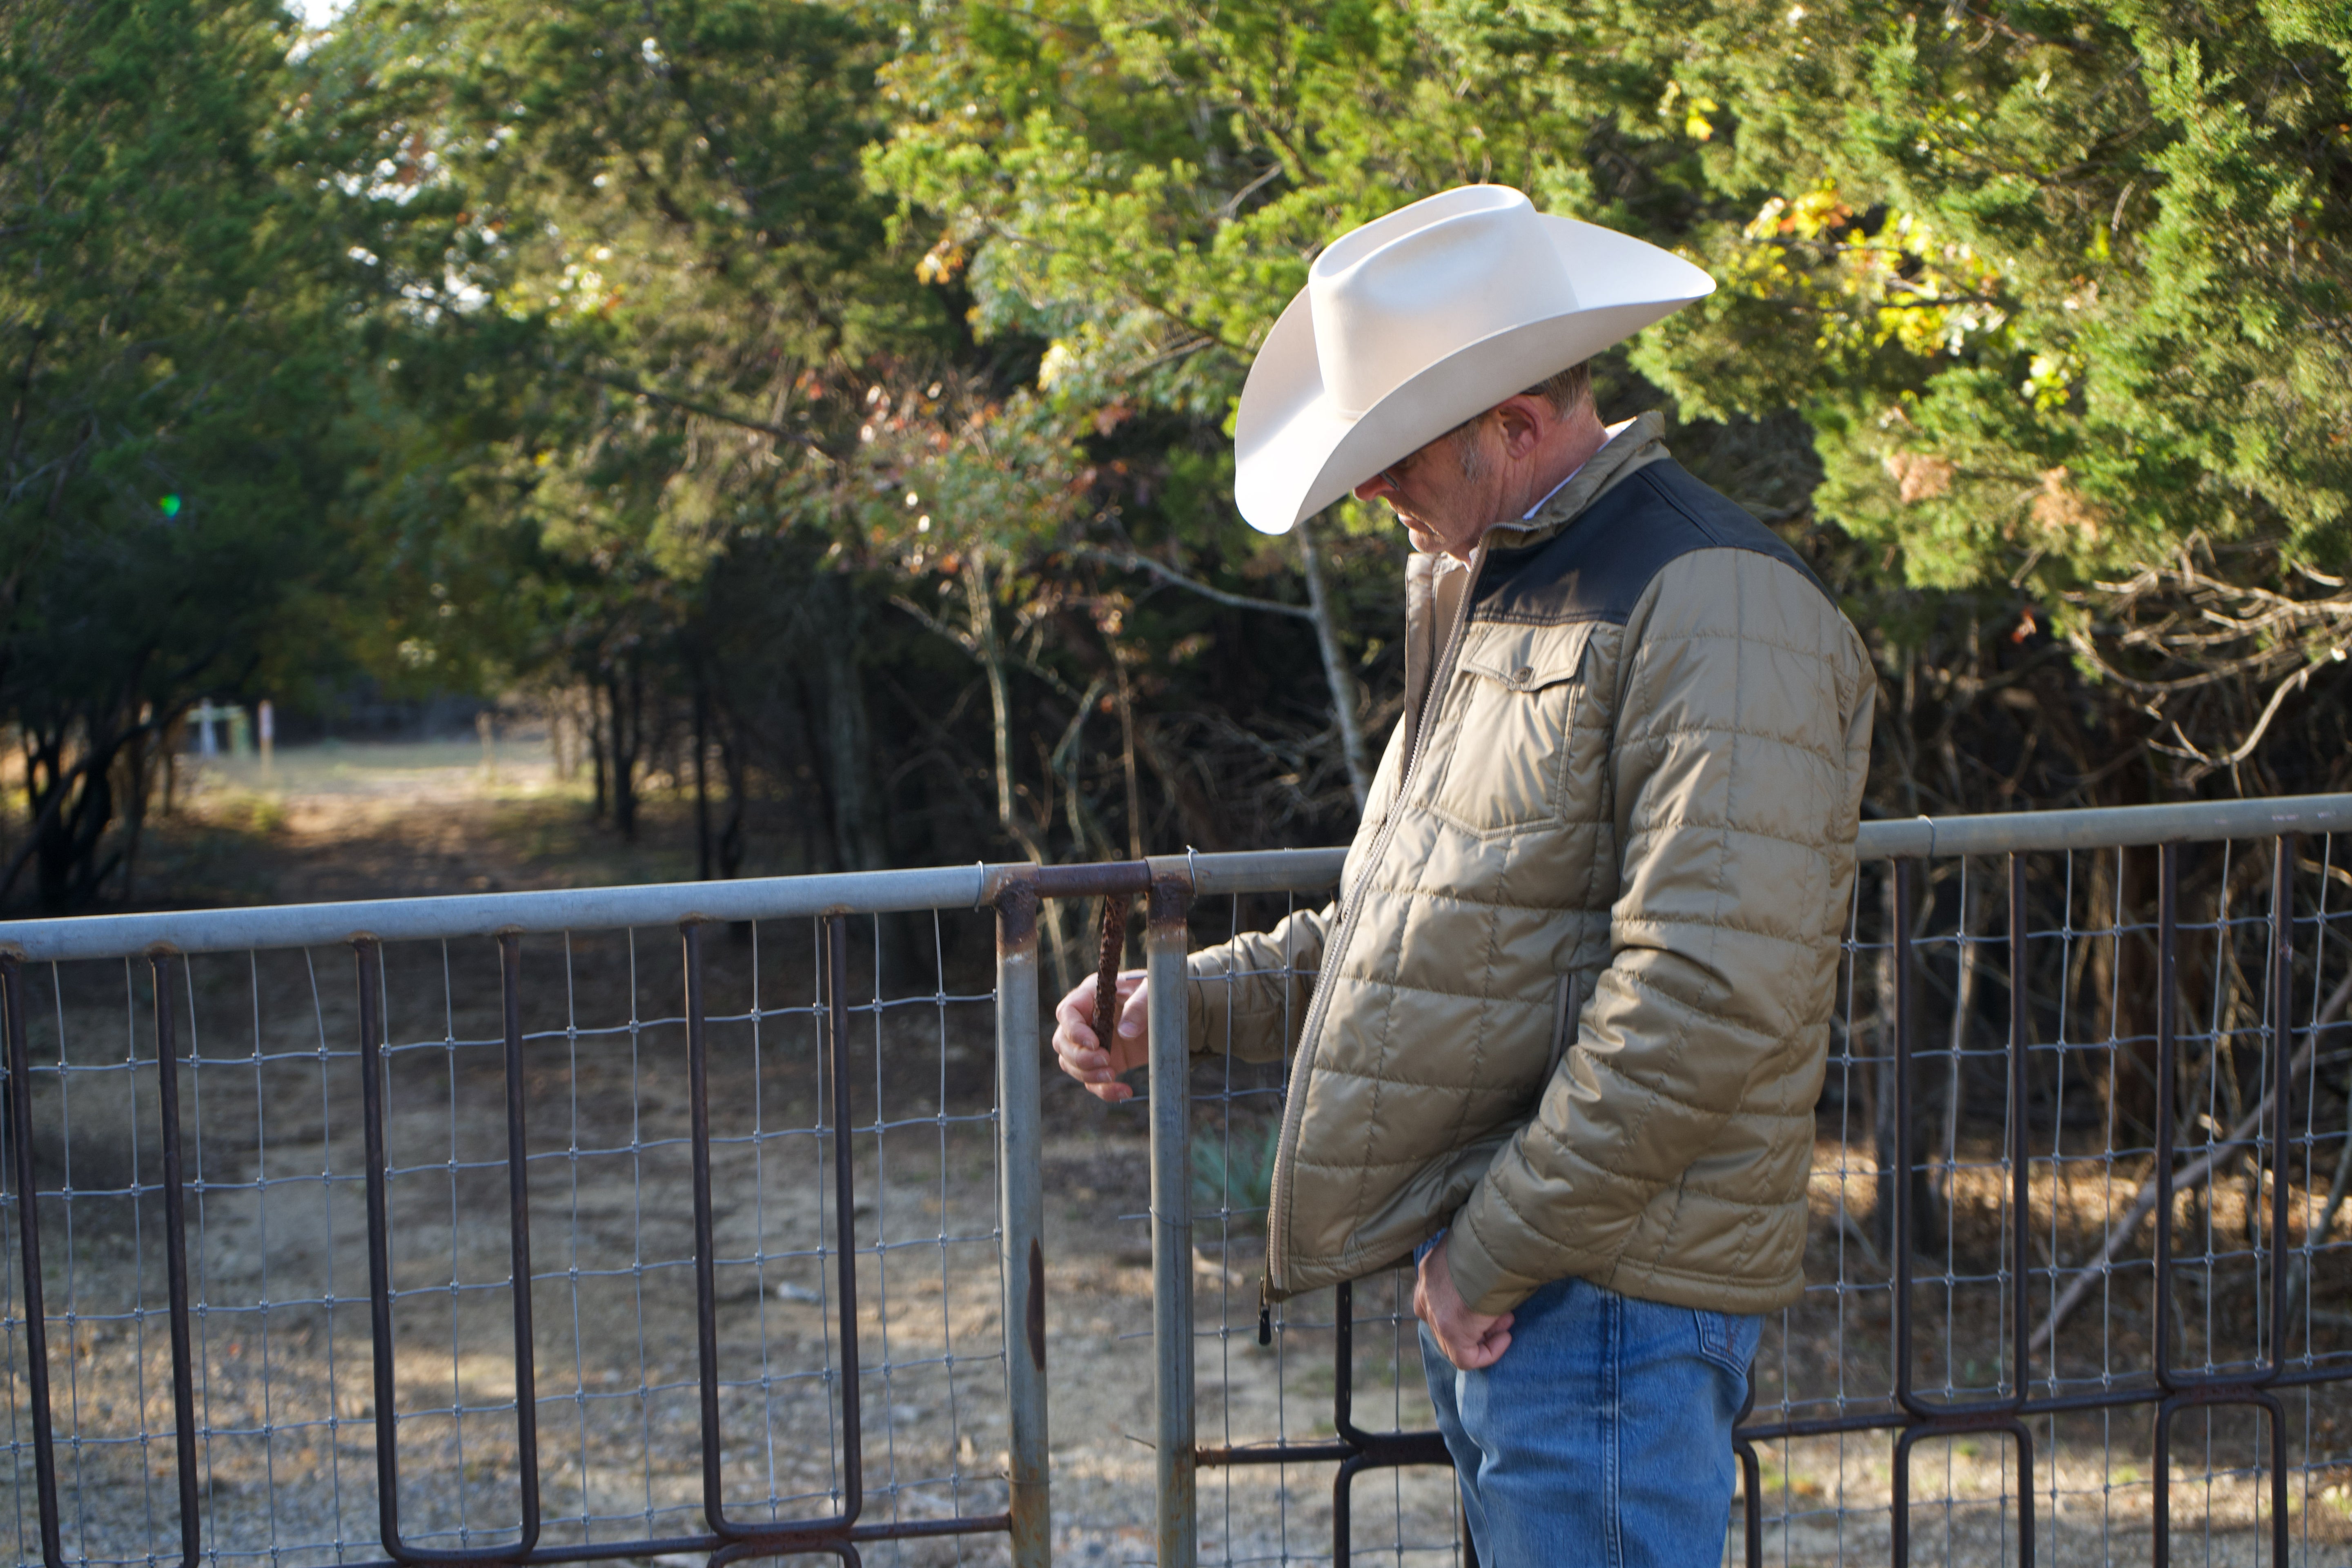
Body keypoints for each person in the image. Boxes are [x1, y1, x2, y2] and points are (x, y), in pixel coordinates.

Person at [1050, 184, 1875, 1565]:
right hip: (1532, 1276)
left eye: (1396, 453)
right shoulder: (1497, 582)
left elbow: (1710, 993)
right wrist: (1175, 1001)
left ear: (1517, 423)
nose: (1369, 490)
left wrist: (1490, 1255)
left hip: (1597, 1292)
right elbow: (1414, 927)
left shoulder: (1717, 601)